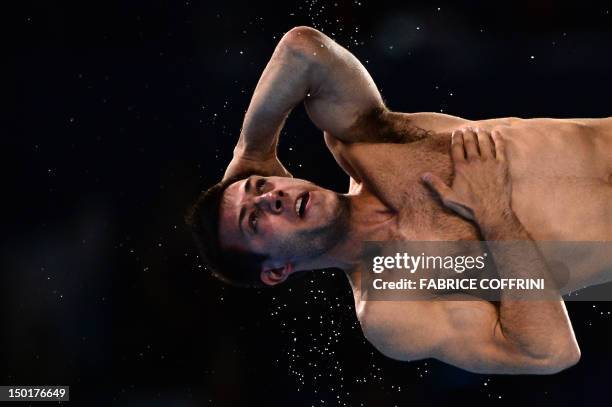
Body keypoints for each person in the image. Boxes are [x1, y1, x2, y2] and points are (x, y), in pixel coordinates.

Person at [186, 26, 612, 374]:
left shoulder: (367, 144)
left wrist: (252, 151)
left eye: (260, 188)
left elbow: (303, 50)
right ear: (276, 271)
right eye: (254, 222)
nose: (272, 199)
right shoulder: (392, 307)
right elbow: (549, 352)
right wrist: (495, 216)